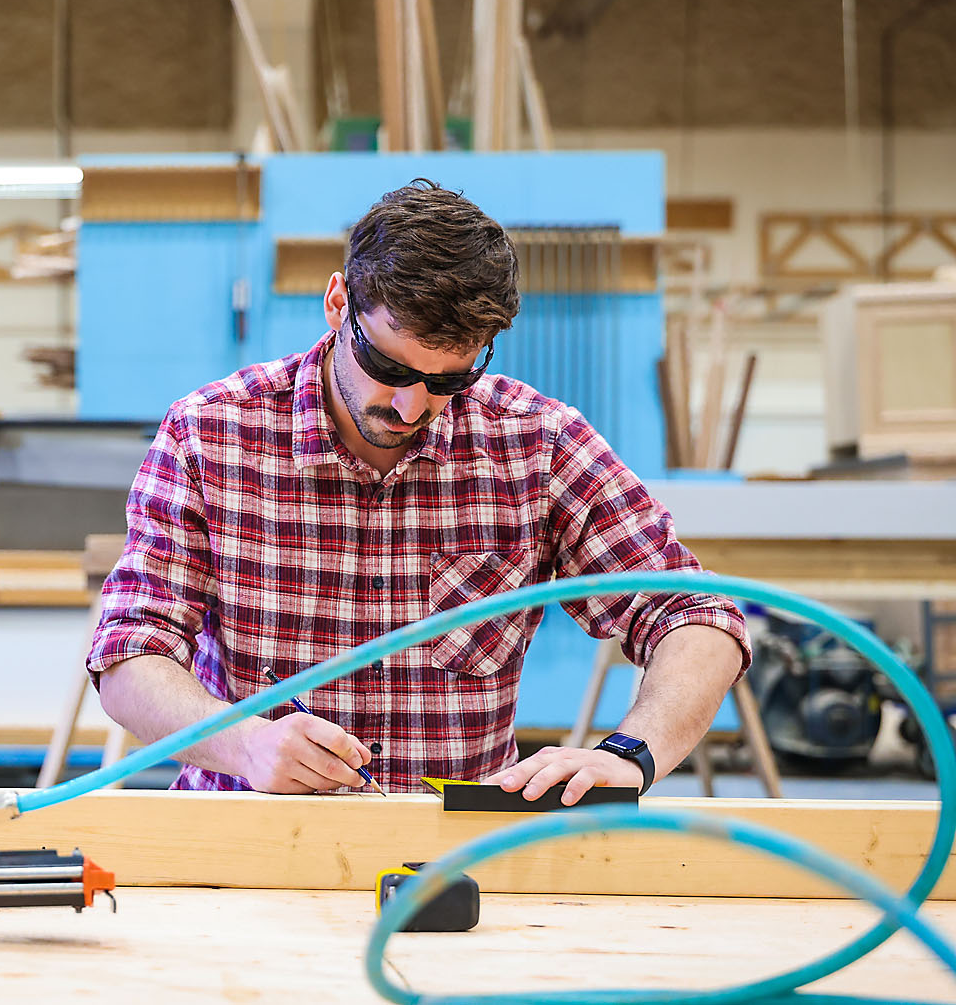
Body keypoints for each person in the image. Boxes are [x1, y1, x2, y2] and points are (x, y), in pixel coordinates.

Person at [87, 178, 748, 804]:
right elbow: (129, 653)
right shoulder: (212, 436)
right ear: (338, 303)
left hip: (450, 855)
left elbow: (698, 615)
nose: (410, 404)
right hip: (250, 843)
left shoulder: (535, 445)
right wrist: (245, 743)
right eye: (387, 365)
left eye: (446, 380)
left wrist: (630, 754)